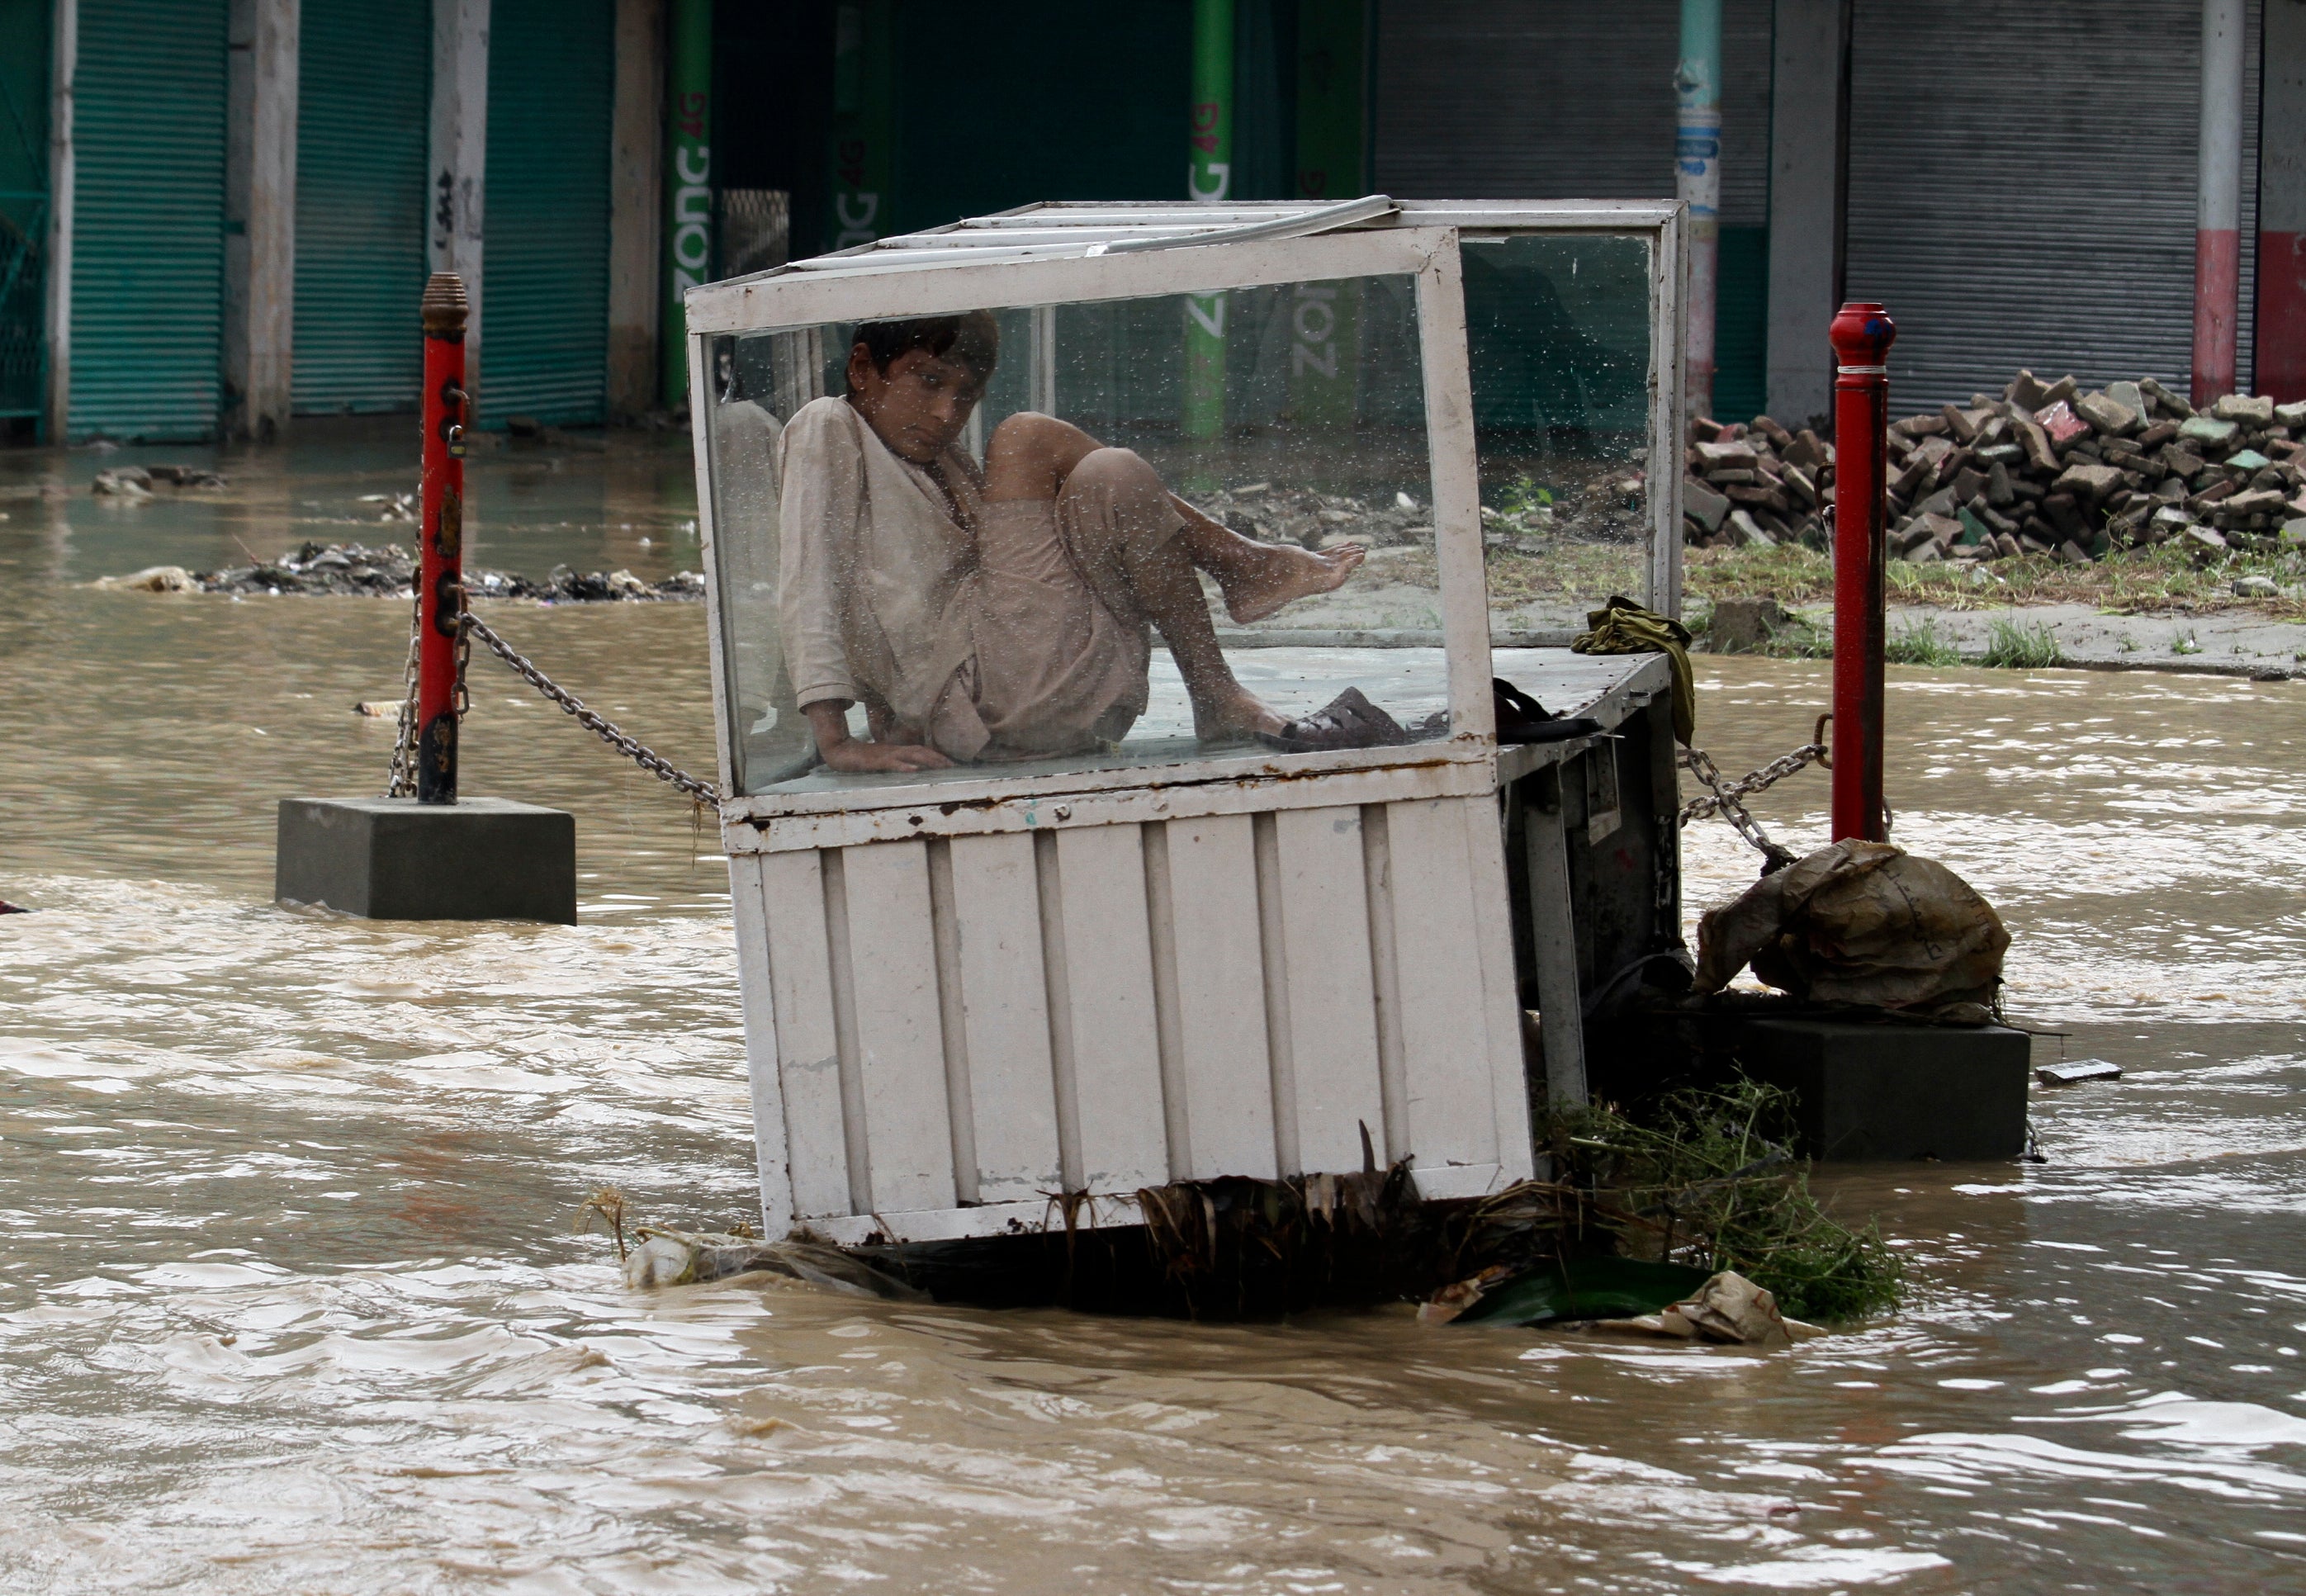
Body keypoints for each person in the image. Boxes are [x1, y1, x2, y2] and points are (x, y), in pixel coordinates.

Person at [776, 311, 1366, 773]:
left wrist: (891, 707)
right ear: (862, 368)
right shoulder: (827, 423)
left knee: (1113, 470)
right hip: (986, 697)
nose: (945, 412)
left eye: (965, 395)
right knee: (1025, 435)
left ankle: (1215, 693)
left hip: (1042, 689)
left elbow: (897, 597)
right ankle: (1240, 563)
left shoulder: (940, 459)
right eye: (928, 380)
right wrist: (836, 741)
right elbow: (810, 578)